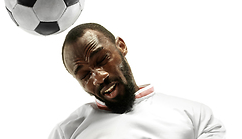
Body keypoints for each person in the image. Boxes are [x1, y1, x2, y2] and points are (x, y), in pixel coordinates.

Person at [48, 23, 226, 139]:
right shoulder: (66, 133)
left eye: (102, 60)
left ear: (121, 46)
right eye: (85, 75)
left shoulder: (196, 116)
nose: (99, 77)